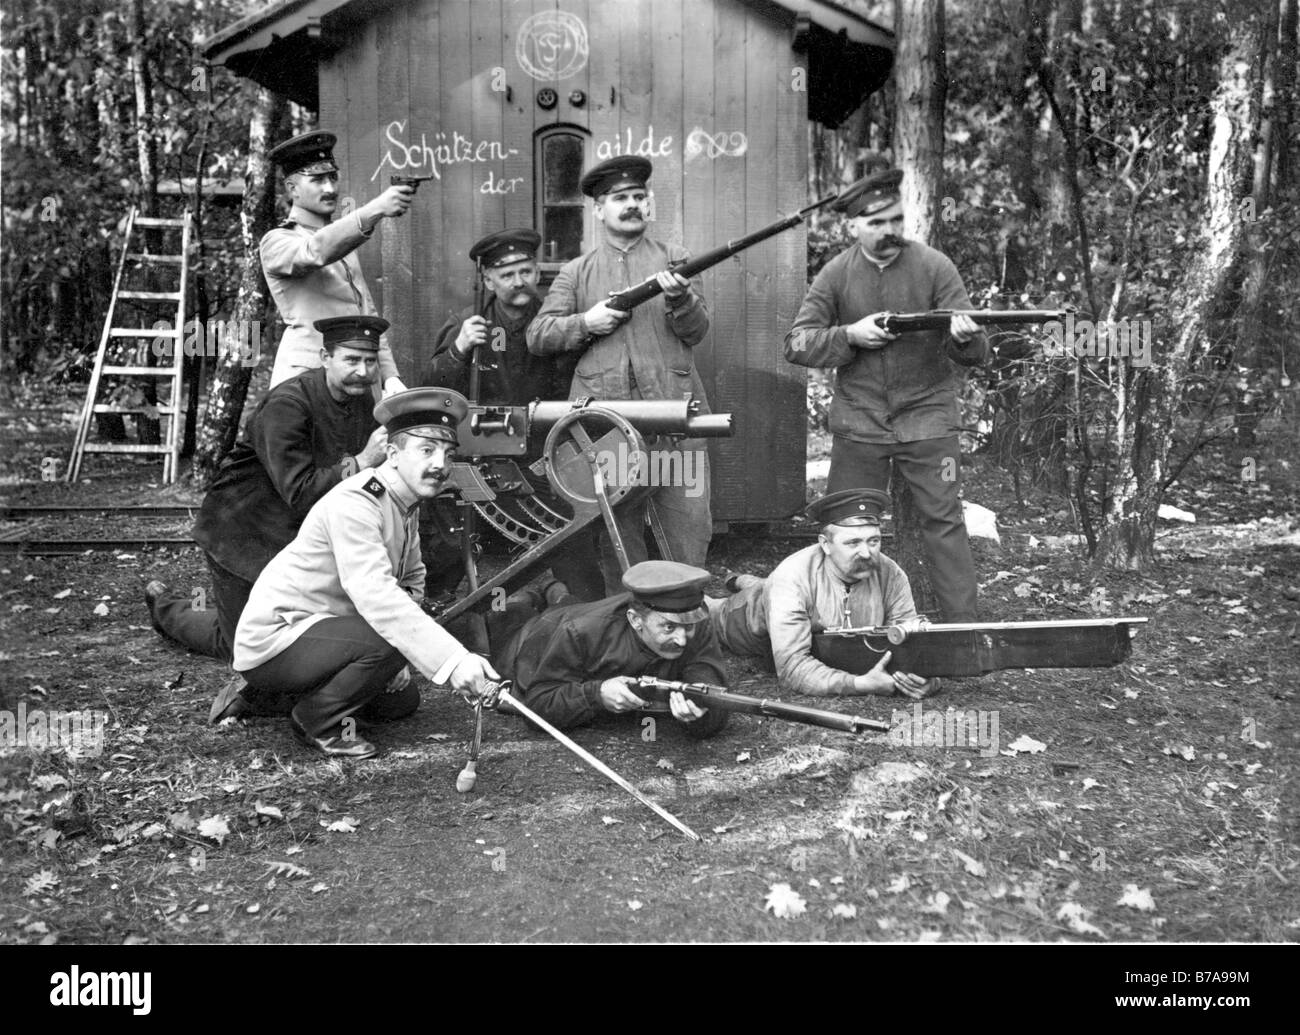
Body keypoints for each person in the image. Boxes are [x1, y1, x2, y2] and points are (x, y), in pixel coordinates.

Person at [229, 388, 499, 759]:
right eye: (426, 450)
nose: (440, 464)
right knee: (387, 642)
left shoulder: (404, 501)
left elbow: (412, 579)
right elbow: (376, 596)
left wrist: (400, 654)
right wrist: (452, 661)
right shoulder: (358, 501)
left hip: (326, 630)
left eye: (447, 453)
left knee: (400, 702)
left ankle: (274, 697)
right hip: (279, 637)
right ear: (391, 453)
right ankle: (315, 720)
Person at [144, 316, 390, 715]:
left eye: (370, 360)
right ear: (325, 357)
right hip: (243, 534)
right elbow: (300, 490)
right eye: (351, 360)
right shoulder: (288, 404)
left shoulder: (359, 397)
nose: (362, 371)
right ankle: (166, 608)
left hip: (293, 536)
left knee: (302, 631)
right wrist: (363, 462)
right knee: (241, 644)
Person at [784, 163, 988, 621]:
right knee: (845, 528)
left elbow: (976, 351)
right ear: (852, 226)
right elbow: (796, 343)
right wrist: (849, 336)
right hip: (861, 421)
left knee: (945, 522)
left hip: (929, 417)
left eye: (896, 219)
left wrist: (963, 336)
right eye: (875, 223)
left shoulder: (934, 266)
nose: (889, 230)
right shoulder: (835, 275)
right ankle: (839, 626)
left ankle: (965, 631)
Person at [526, 156, 714, 592]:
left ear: (648, 204)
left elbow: (697, 331)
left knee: (688, 533)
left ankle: (686, 631)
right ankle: (628, 634)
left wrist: (680, 300)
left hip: (675, 428)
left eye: (638, 197)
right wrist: (585, 323)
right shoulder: (576, 271)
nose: (631, 205)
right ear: (598, 210)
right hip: (605, 432)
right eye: (619, 198)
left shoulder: (675, 260)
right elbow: (538, 336)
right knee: (618, 541)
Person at [419, 228, 598, 600]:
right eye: (506, 274)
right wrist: (458, 349)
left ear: (537, 272)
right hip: (483, 455)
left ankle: (579, 603)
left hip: (547, 453)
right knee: (451, 544)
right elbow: (432, 388)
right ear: (487, 280)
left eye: (526, 271)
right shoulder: (470, 324)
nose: (519, 282)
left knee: (573, 541)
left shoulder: (557, 323)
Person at [706, 489, 939, 699]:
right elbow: (792, 667)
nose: (867, 553)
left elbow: (910, 642)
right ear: (825, 545)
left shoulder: (891, 574)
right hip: (744, 617)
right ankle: (741, 585)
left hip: (797, 595)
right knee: (704, 612)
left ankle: (741, 580)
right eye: (853, 543)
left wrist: (927, 677)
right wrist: (858, 684)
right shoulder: (790, 577)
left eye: (874, 541)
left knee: (770, 586)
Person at [493, 560, 728, 739]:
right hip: (536, 637)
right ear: (636, 620)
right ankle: (522, 599)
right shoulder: (580, 631)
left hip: (579, 613)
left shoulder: (693, 620)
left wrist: (701, 707)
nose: (683, 640)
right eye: (668, 627)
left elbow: (709, 680)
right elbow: (539, 705)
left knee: (570, 604)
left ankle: (553, 589)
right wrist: (597, 694)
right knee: (508, 619)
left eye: (687, 628)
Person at [260, 130, 411, 392]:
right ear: (292, 189)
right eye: (317, 180)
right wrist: (374, 210)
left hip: (354, 381)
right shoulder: (277, 241)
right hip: (306, 384)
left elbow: (367, 315)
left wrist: (389, 376)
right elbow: (313, 252)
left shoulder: (343, 241)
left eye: (332, 177)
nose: (330, 188)